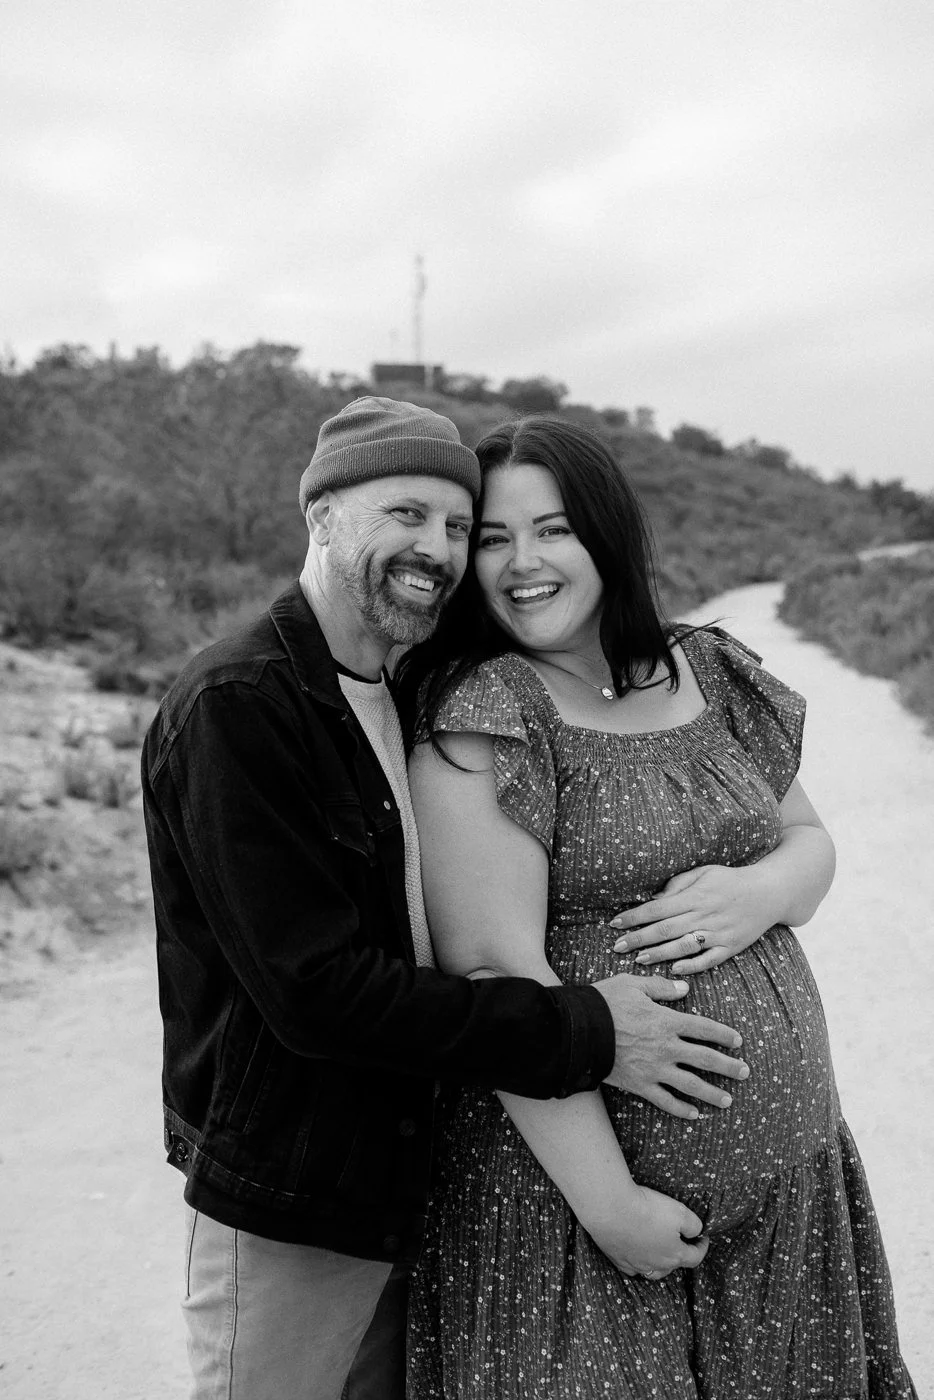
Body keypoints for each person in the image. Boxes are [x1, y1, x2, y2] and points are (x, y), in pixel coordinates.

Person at [140, 398, 750, 1400]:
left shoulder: (407, 682)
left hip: (412, 1185)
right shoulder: (239, 706)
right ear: (321, 513)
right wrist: (587, 1030)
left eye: (459, 526)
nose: (439, 547)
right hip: (298, 1199)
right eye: (407, 513)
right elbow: (319, 993)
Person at [397, 415, 917, 1399]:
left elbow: (809, 844)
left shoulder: (704, 669)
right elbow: (495, 974)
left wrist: (756, 892)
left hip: (787, 1197)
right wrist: (611, 1207)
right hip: (576, 1216)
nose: (521, 562)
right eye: (494, 539)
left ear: (606, 533)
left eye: (552, 529)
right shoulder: (487, 709)